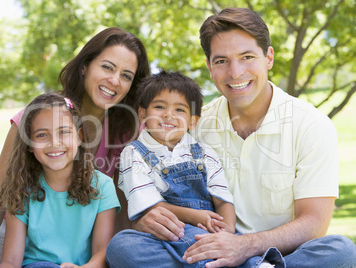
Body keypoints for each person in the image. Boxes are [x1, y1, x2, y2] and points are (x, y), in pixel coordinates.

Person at [125, 7, 356, 268]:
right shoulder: (194, 126)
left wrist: (244, 246)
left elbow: (314, 224)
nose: (235, 73)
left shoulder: (312, 126)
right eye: (222, 61)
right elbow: (158, 194)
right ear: (210, 68)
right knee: (125, 246)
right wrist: (147, 219)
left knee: (341, 250)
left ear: (268, 57)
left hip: (280, 256)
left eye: (247, 57)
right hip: (206, 248)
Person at [0, 27, 150, 268]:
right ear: (84, 66)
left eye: (127, 76)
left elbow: (122, 209)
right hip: (12, 231)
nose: (114, 81)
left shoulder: (126, 133)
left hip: (76, 243)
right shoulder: (35, 117)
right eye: (107, 67)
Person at [106, 70, 236, 267]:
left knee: (226, 243)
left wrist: (228, 235)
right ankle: (226, 262)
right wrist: (196, 216)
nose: (168, 115)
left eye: (179, 110)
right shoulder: (134, 153)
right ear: (142, 114)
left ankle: (217, 257)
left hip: (209, 231)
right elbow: (151, 207)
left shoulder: (205, 152)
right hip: (164, 234)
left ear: (193, 121)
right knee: (120, 246)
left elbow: (223, 199)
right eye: (159, 106)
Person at [0, 93, 120, 268]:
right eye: (41, 135)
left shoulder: (103, 186)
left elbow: (102, 253)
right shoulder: (22, 189)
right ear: (29, 144)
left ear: (79, 136)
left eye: (63, 132)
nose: (54, 143)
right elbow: (10, 261)